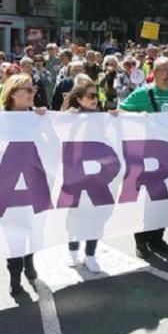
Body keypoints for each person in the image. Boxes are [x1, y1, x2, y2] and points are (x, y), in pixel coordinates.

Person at [0, 74, 48, 296]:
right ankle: (14, 275)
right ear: (13, 94)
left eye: (34, 90)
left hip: (33, 181)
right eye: (28, 90)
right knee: (13, 232)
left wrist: (44, 122)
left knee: (32, 227)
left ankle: (29, 260)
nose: (33, 94)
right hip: (8, 183)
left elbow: (55, 142)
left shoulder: (38, 116)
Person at [119, 57, 168, 257]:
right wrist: (138, 119)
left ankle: (157, 238)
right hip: (148, 158)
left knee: (165, 201)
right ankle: (141, 242)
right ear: (154, 73)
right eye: (163, 71)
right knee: (147, 202)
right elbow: (120, 111)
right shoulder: (143, 93)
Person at [62, 78, 106, 272]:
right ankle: (73, 250)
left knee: (95, 215)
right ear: (79, 99)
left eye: (97, 95)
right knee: (75, 214)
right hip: (75, 174)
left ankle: (90, 254)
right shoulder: (71, 117)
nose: (95, 99)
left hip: (98, 174)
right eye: (91, 96)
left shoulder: (102, 116)